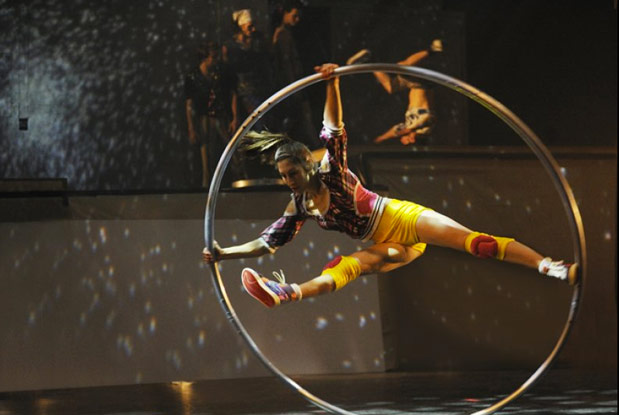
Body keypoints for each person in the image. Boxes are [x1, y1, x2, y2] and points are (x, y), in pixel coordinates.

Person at [202, 63, 579, 308]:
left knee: (477, 244)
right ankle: (289, 292)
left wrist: (331, 83)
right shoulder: (299, 207)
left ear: (308, 165)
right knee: (345, 266)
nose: (289, 182)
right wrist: (223, 253)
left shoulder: (332, 171)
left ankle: (550, 266)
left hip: (405, 220)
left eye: (293, 174)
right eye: (284, 177)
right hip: (391, 245)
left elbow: (333, 128)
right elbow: (267, 243)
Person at [348, 40, 443, 145]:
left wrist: (380, 139)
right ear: (412, 139)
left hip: (414, 85)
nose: (402, 140)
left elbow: (395, 130)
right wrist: (407, 131)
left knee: (391, 87)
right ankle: (432, 50)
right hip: (423, 85)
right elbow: (426, 119)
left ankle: (370, 60)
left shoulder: (410, 126)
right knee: (401, 67)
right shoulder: (423, 130)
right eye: (406, 141)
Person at [184, 42, 238, 187]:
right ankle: (207, 187)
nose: (216, 60)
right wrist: (191, 128)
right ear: (205, 58)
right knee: (206, 157)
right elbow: (189, 103)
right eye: (213, 57)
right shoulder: (193, 76)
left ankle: (236, 181)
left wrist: (234, 117)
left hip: (222, 116)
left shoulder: (221, 72)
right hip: (205, 119)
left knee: (232, 152)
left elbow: (232, 94)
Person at [271, 0, 319, 148]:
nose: (297, 20)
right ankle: (317, 147)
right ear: (285, 13)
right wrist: (295, 87)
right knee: (301, 117)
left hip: (293, 83)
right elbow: (286, 64)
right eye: (294, 15)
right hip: (291, 84)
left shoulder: (285, 33)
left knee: (299, 118)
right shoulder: (282, 34)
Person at [223, 9, 273, 132]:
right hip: (240, 91)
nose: (253, 29)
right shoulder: (230, 46)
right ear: (241, 27)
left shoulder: (257, 41)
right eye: (249, 27)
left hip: (259, 87)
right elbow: (228, 72)